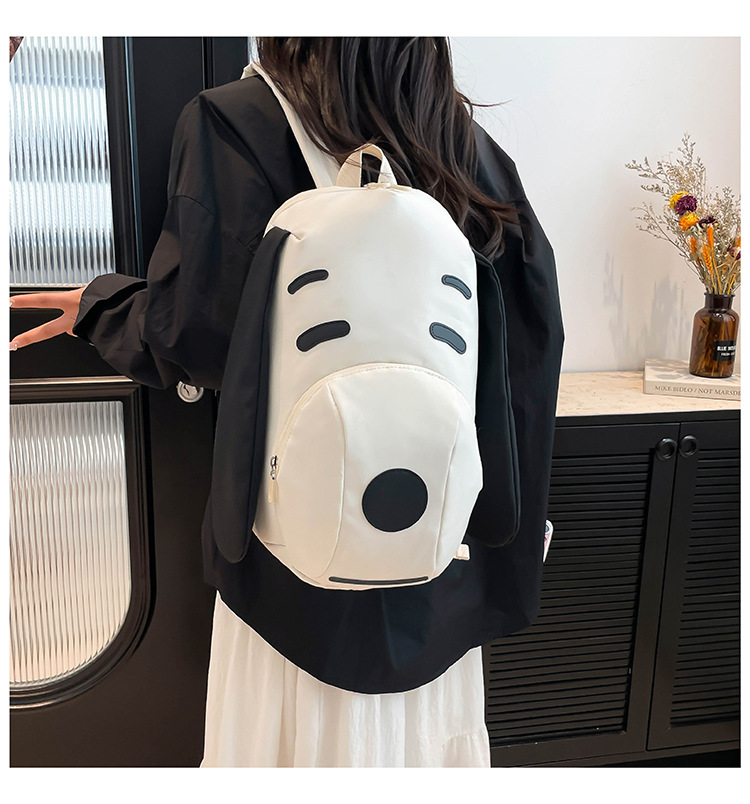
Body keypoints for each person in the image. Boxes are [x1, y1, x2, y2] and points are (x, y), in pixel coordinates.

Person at [9, 37, 565, 767]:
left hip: (294, 561)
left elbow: (199, 334)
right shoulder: (467, 149)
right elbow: (531, 345)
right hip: (438, 547)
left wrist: (106, 307)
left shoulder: (239, 121)